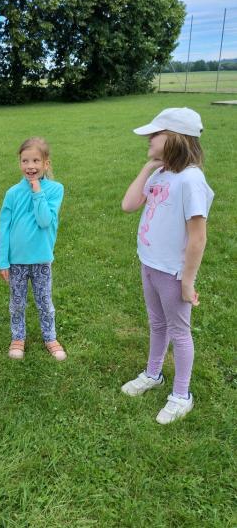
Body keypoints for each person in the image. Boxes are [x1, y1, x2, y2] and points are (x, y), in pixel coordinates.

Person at [120, 108, 214, 424]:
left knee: (179, 332)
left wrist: (187, 281)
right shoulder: (161, 174)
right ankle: (153, 374)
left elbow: (198, 237)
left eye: (155, 134)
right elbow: (128, 205)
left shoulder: (191, 179)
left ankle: (181, 395)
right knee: (157, 323)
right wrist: (148, 167)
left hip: (173, 272)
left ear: (175, 138)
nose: (148, 138)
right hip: (149, 264)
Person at [0, 137, 66, 361]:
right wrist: (2, 260)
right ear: (20, 163)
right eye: (25, 161)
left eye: (36, 160)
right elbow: (4, 228)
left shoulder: (55, 190)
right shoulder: (12, 193)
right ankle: (18, 337)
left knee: (44, 301)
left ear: (46, 163)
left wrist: (37, 191)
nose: (30, 166)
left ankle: (50, 337)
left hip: (41, 258)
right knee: (17, 303)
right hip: (16, 260)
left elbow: (45, 220)